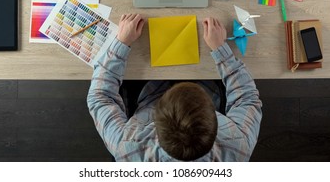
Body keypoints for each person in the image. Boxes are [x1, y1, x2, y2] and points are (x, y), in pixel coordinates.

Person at [87, 13, 262, 161]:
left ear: (155, 124)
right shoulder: (238, 146)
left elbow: (100, 97)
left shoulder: (127, 147)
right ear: (213, 119)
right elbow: (247, 98)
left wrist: (121, 43)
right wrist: (221, 49)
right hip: (209, 86)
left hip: (149, 92)